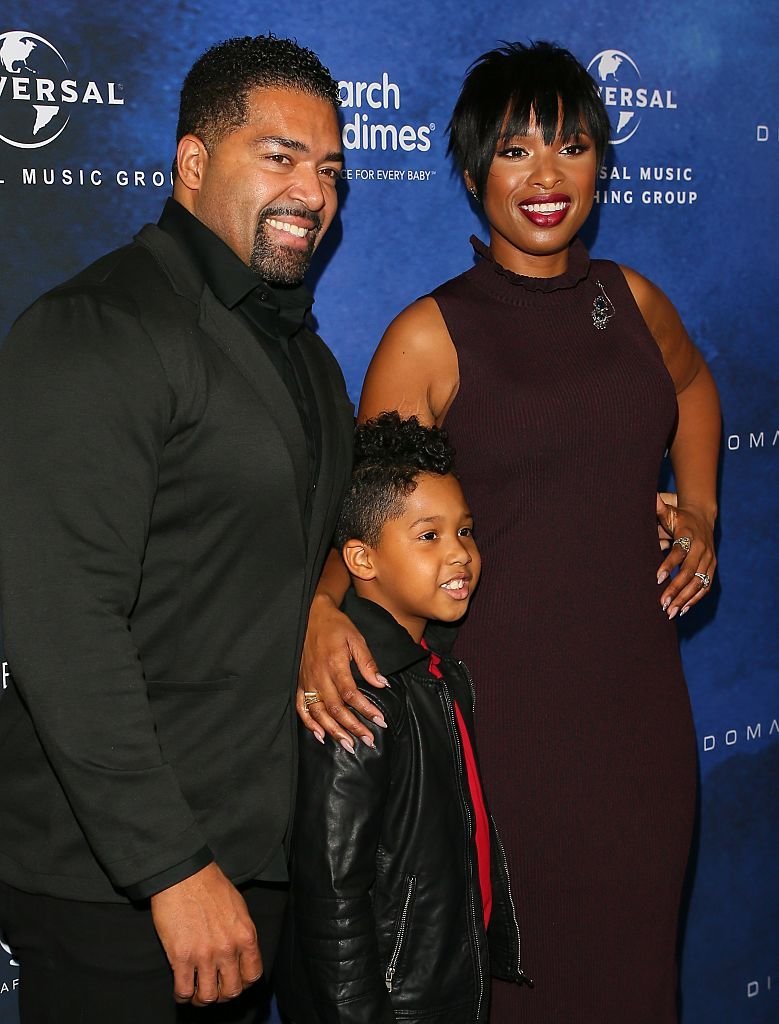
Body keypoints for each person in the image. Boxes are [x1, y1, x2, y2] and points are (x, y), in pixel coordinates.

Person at [297, 42, 720, 1023]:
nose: (544, 177)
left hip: (639, 719)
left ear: (601, 166)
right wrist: (322, 614)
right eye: (515, 151)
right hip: (504, 732)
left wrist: (696, 507)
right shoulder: (429, 335)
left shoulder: (630, 299)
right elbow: (367, 523)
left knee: (634, 980)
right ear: (469, 172)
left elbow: (693, 389)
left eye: (570, 147)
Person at [0, 34, 355, 1024]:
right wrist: (170, 867)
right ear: (192, 163)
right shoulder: (96, 328)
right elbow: (62, 623)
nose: (311, 191)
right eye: (277, 156)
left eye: (327, 168)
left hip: (254, 868)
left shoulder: (303, 353)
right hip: (123, 888)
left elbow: (300, 547)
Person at [277, 412, 531, 1024]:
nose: (460, 555)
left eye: (465, 532)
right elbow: (333, 896)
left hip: (444, 987)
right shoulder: (357, 691)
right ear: (361, 560)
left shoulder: (437, 673)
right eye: (428, 536)